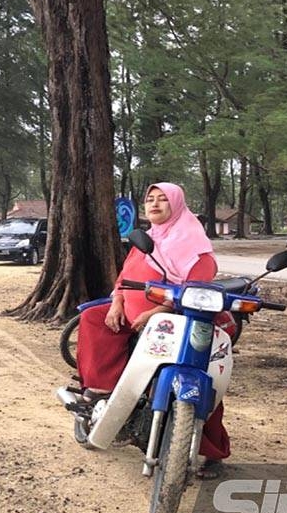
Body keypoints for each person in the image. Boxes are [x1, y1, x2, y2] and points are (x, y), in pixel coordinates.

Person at [75, 183, 229, 477]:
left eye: (163, 200)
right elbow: (124, 278)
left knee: (204, 374)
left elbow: (194, 291)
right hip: (131, 315)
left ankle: (212, 451)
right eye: (150, 199)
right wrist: (117, 302)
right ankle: (101, 390)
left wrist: (157, 311)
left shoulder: (195, 247)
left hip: (179, 321)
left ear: (177, 205)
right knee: (93, 317)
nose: (155, 204)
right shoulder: (145, 240)